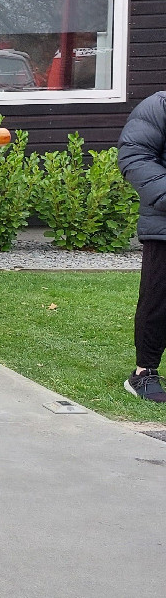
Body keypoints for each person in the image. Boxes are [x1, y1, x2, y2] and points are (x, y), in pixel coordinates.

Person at [119, 96, 166, 403]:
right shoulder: (158, 106)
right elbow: (134, 157)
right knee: (158, 300)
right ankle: (143, 372)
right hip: (164, 223)